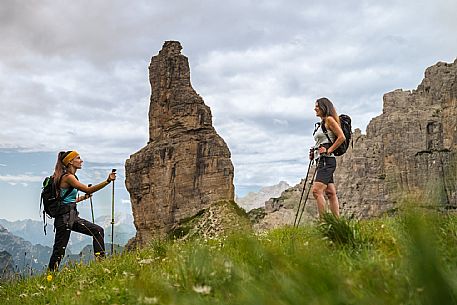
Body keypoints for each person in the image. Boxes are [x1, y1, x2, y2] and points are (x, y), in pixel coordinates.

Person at [48, 150, 116, 271]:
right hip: (64, 220)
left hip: (71, 217)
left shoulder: (71, 177)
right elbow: (88, 189)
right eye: (78, 158)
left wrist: (83, 198)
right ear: (70, 162)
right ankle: (50, 276)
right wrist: (107, 181)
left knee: (98, 231)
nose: (81, 160)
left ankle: (102, 265)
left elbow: (67, 200)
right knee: (59, 250)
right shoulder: (68, 177)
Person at [309, 97, 345, 218]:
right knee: (330, 192)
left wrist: (329, 150)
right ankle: (336, 223)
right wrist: (314, 151)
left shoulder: (329, 120)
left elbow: (341, 137)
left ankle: (324, 223)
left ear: (324, 107)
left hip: (327, 160)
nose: (315, 108)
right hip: (321, 159)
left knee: (316, 191)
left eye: (317, 106)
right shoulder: (322, 123)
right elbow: (323, 141)